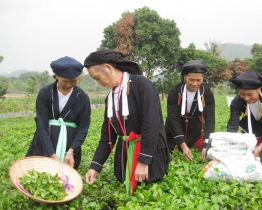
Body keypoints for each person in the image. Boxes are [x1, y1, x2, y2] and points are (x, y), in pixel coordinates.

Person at [84, 49, 170, 195]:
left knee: (148, 192)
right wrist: (94, 167)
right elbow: (107, 137)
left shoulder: (141, 84)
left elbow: (152, 123)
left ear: (108, 68)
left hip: (149, 154)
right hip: (125, 155)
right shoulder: (109, 98)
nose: (98, 83)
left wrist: (144, 161)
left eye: (98, 78)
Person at [26, 56, 91, 169]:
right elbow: (41, 124)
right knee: (39, 172)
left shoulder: (82, 97)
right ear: (56, 76)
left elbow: (83, 128)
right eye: (65, 81)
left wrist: (71, 151)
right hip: (46, 142)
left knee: (64, 177)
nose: (69, 84)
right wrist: (50, 153)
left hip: (68, 144)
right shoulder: (45, 93)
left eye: (74, 81)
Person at [165, 60, 215, 161]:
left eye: (199, 80)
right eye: (191, 79)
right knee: (167, 149)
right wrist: (182, 144)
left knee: (206, 150)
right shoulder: (175, 92)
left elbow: (210, 119)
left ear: (203, 78)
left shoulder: (206, 93)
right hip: (175, 128)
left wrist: (206, 145)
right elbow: (173, 118)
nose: (195, 84)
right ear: (184, 77)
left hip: (194, 128)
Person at [227, 70, 262, 157]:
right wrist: (229, 143)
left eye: (250, 94)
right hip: (253, 119)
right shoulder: (236, 101)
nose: (246, 98)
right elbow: (233, 122)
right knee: (248, 145)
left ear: (259, 89)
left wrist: (259, 148)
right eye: (242, 94)